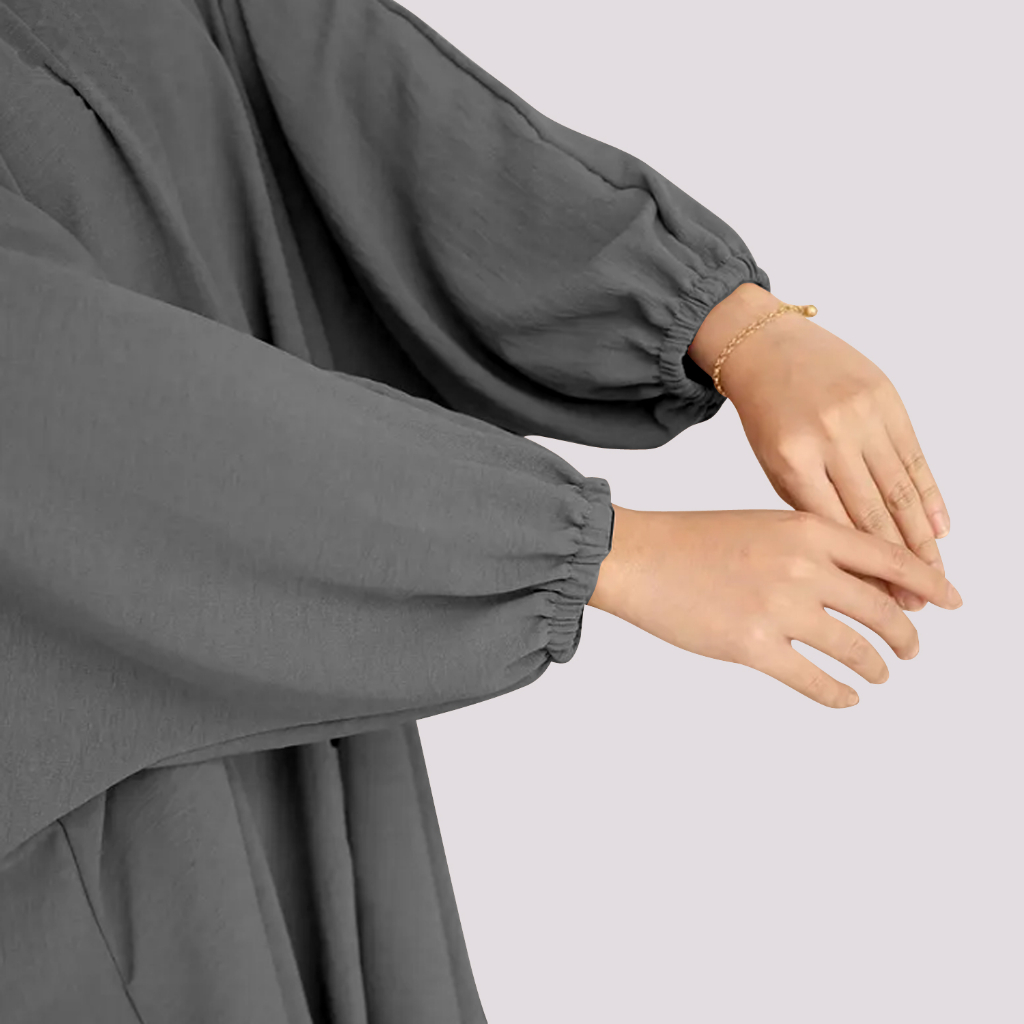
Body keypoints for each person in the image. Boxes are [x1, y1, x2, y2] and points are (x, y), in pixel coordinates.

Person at [0, 0, 962, 1020]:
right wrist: (601, 554)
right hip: (89, 781)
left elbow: (327, 68)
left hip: (292, 692)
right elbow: (50, 385)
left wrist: (732, 325)